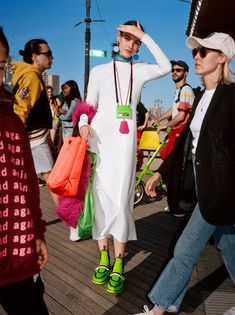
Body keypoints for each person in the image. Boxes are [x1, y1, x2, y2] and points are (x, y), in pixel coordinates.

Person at [135, 32, 235, 315]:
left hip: (220, 189)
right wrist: (161, 173)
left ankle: (159, 308)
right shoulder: (201, 95)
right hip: (201, 187)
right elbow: (185, 143)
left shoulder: (232, 96)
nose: (197, 56)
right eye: (196, 51)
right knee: (229, 246)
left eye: (204, 51)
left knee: (185, 249)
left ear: (223, 58)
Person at [77, 20, 171, 294]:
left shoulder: (140, 70)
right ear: (118, 37)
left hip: (126, 140)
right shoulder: (99, 71)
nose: (131, 44)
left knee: (121, 198)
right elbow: (89, 104)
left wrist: (147, 35)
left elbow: (165, 66)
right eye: (127, 37)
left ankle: (119, 261)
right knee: (101, 196)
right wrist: (83, 120)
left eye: (136, 40)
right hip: (100, 139)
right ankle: (103, 256)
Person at [0, 26, 49, 315]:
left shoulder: (12, 121)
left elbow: (27, 183)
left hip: (16, 250)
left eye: (2, 66)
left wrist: (37, 231)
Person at [11, 38, 58, 204]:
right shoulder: (32, 76)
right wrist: (15, 137)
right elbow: (20, 109)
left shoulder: (30, 75)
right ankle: (73, 224)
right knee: (52, 179)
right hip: (34, 138)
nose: (51, 57)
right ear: (35, 56)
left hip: (34, 137)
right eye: (48, 53)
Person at [151, 60, 195, 160]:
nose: (174, 72)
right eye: (173, 70)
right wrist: (158, 119)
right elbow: (174, 109)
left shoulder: (186, 90)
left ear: (186, 73)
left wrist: (165, 125)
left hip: (182, 133)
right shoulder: (179, 91)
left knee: (173, 162)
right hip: (177, 132)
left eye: (178, 70)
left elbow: (181, 116)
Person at [136, 100, 150, 170]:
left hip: (139, 129)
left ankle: (139, 164)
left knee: (139, 147)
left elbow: (147, 114)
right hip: (131, 130)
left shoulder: (138, 104)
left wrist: (144, 125)